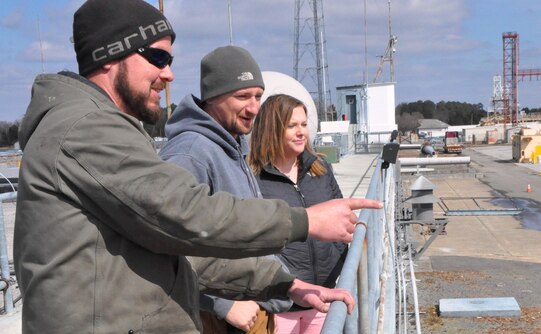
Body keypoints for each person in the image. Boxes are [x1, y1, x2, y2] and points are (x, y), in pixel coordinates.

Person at [13, 1, 381, 333]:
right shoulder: (86, 129)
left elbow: (175, 248)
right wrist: (305, 221)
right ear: (111, 55)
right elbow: (186, 215)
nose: (169, 74)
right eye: (158, 58)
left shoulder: (102, 129)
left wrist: (283, 284)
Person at [159, 45, 291, 333]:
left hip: (252, 306)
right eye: (242, 96)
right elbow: (166, 247)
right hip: (222, 317)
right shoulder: (190, 153)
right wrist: (222, 305)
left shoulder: (231, 146)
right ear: (212, 97)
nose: (254, 107)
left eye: (258, 96)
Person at [248, 94, 346, 333]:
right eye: (291, 126)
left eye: (303, 124)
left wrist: (336, 254)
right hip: (277, 305)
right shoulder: (251, 178)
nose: (301, 131)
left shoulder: (321, 169)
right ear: (271, 129)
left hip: (322, 297)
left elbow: (340, 216)